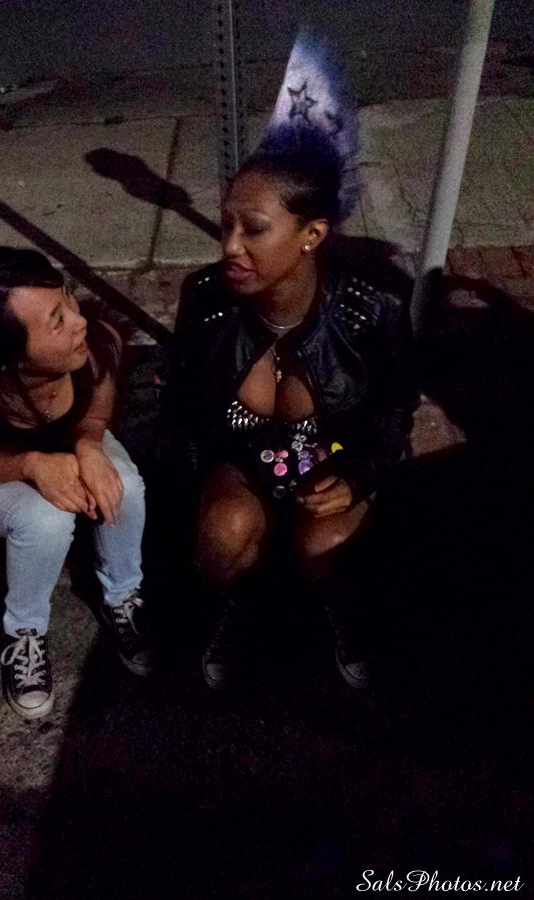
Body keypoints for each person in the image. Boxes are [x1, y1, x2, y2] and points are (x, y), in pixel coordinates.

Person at [166, 34, 418, 690]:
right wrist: (198, 491)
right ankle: (241, 604)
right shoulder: (207, 300)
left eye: (253, 228)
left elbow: (394, 407)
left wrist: (358, 476)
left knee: (323, 542)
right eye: (226, 224)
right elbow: (183, 405)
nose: (230, 246)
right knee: (221, 537)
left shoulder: (373, 307)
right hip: (243, 461)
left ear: (311, 234)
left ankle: (343, 607)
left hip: (332, 457)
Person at [0, 246, 153, 720]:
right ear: (4, 354)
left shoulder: (95, 342)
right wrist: (30, 465)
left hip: (65, 446)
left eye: (68, 298)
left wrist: (88, 445)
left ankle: (123, 596)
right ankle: (23, 633)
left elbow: (96, 413)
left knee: (122, 484)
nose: (79, 321)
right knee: (44, 516)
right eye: (56, 321)